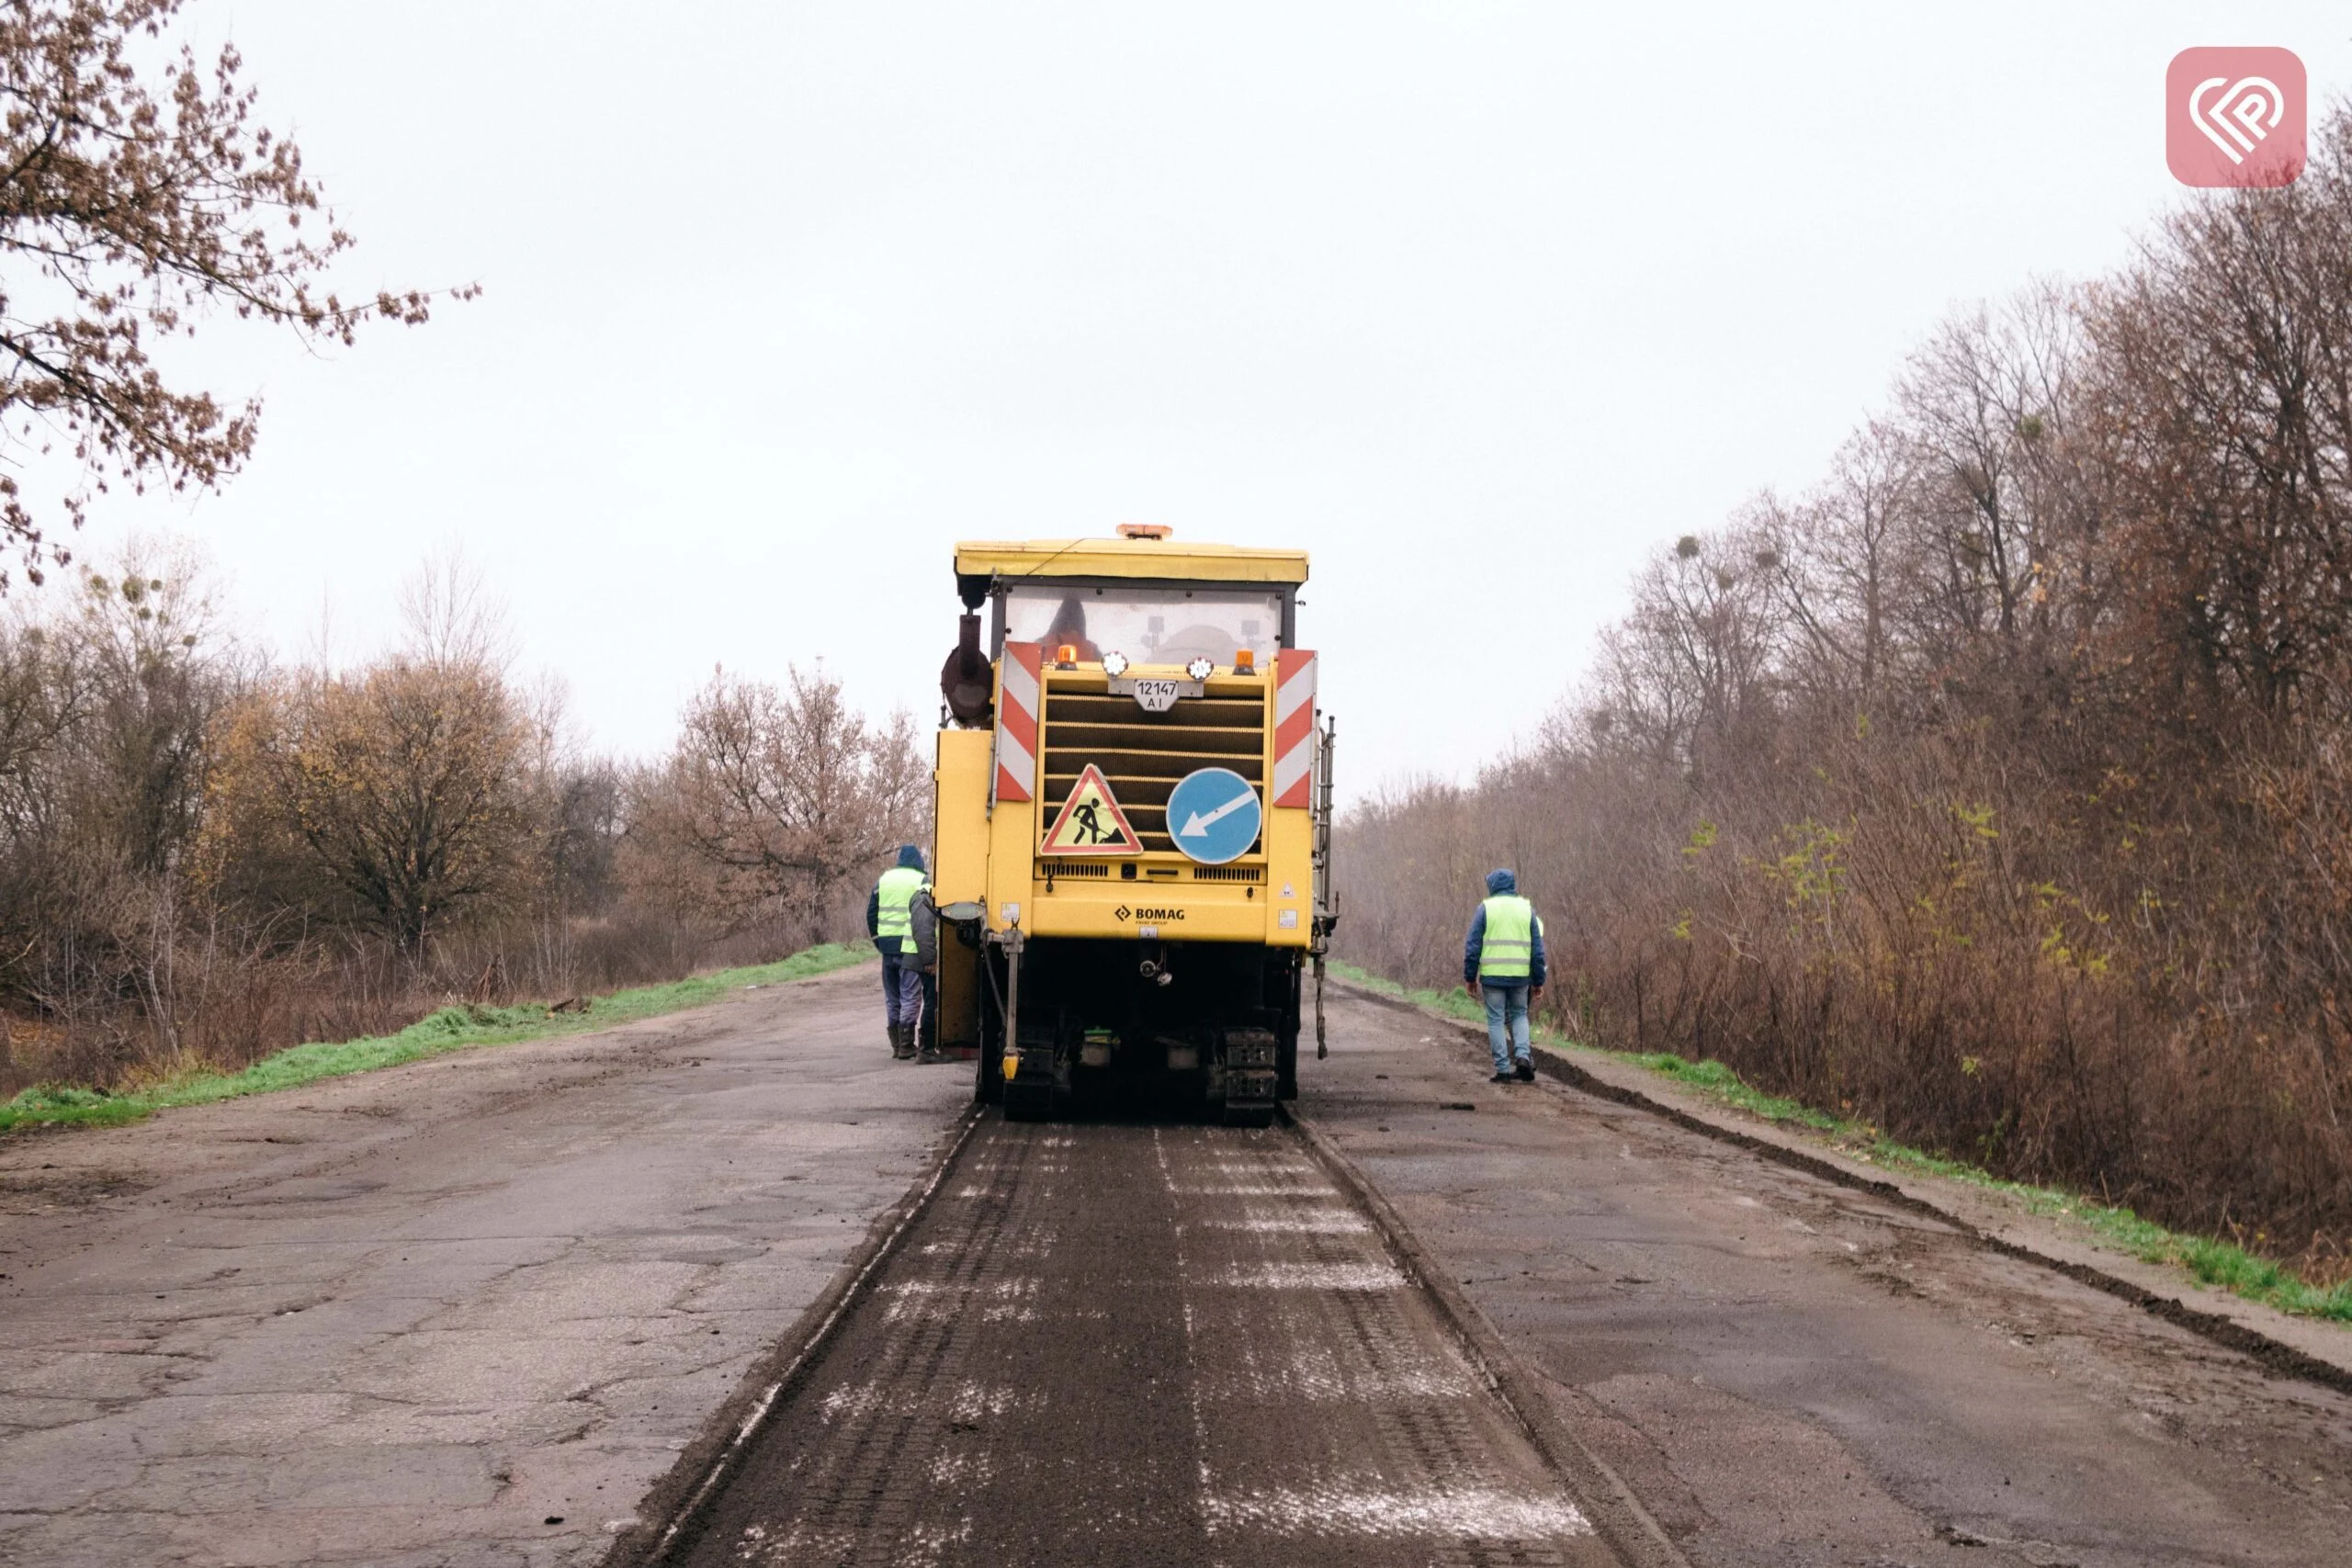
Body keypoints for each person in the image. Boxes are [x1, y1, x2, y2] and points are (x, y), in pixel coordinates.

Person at [1463, 868, 1545, 1083]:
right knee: (1519, 1015)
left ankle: (1502, 1070)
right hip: (1520, 976)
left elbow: (1472, 946)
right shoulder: (1527, 909)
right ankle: (1523, 1057)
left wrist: (1470, 977)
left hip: (1492, 977)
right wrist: (1538, 980)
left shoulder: (1485, 909)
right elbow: (1538, 950)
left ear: (1493, 886)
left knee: (1496, 1020)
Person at [867, 844, 930, 1059]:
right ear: (919, 862)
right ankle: (906, 1044)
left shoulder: (883, 880)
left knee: (892, 996)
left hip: (887, 948)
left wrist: (878, 941)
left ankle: (896, 1045)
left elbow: (871, 914)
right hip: (910, 948)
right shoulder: (922, 881)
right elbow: (928, 916)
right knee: (910, 994)